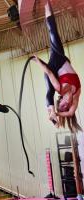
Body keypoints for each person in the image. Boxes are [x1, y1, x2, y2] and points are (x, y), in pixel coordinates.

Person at [33, 1, 81, 132]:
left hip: (51, 70)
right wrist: (59, 115)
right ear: (70, 104)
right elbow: (70, 113)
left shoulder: (59, 88)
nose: (65, 104)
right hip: (59, 58)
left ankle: (50, 111)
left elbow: (48, 73)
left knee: (49, 92)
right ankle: (47, 5)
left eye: (61, 104)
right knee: (53, 33)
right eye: (66, 106)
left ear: (60, 101)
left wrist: (39, 62)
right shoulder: (76, 96)